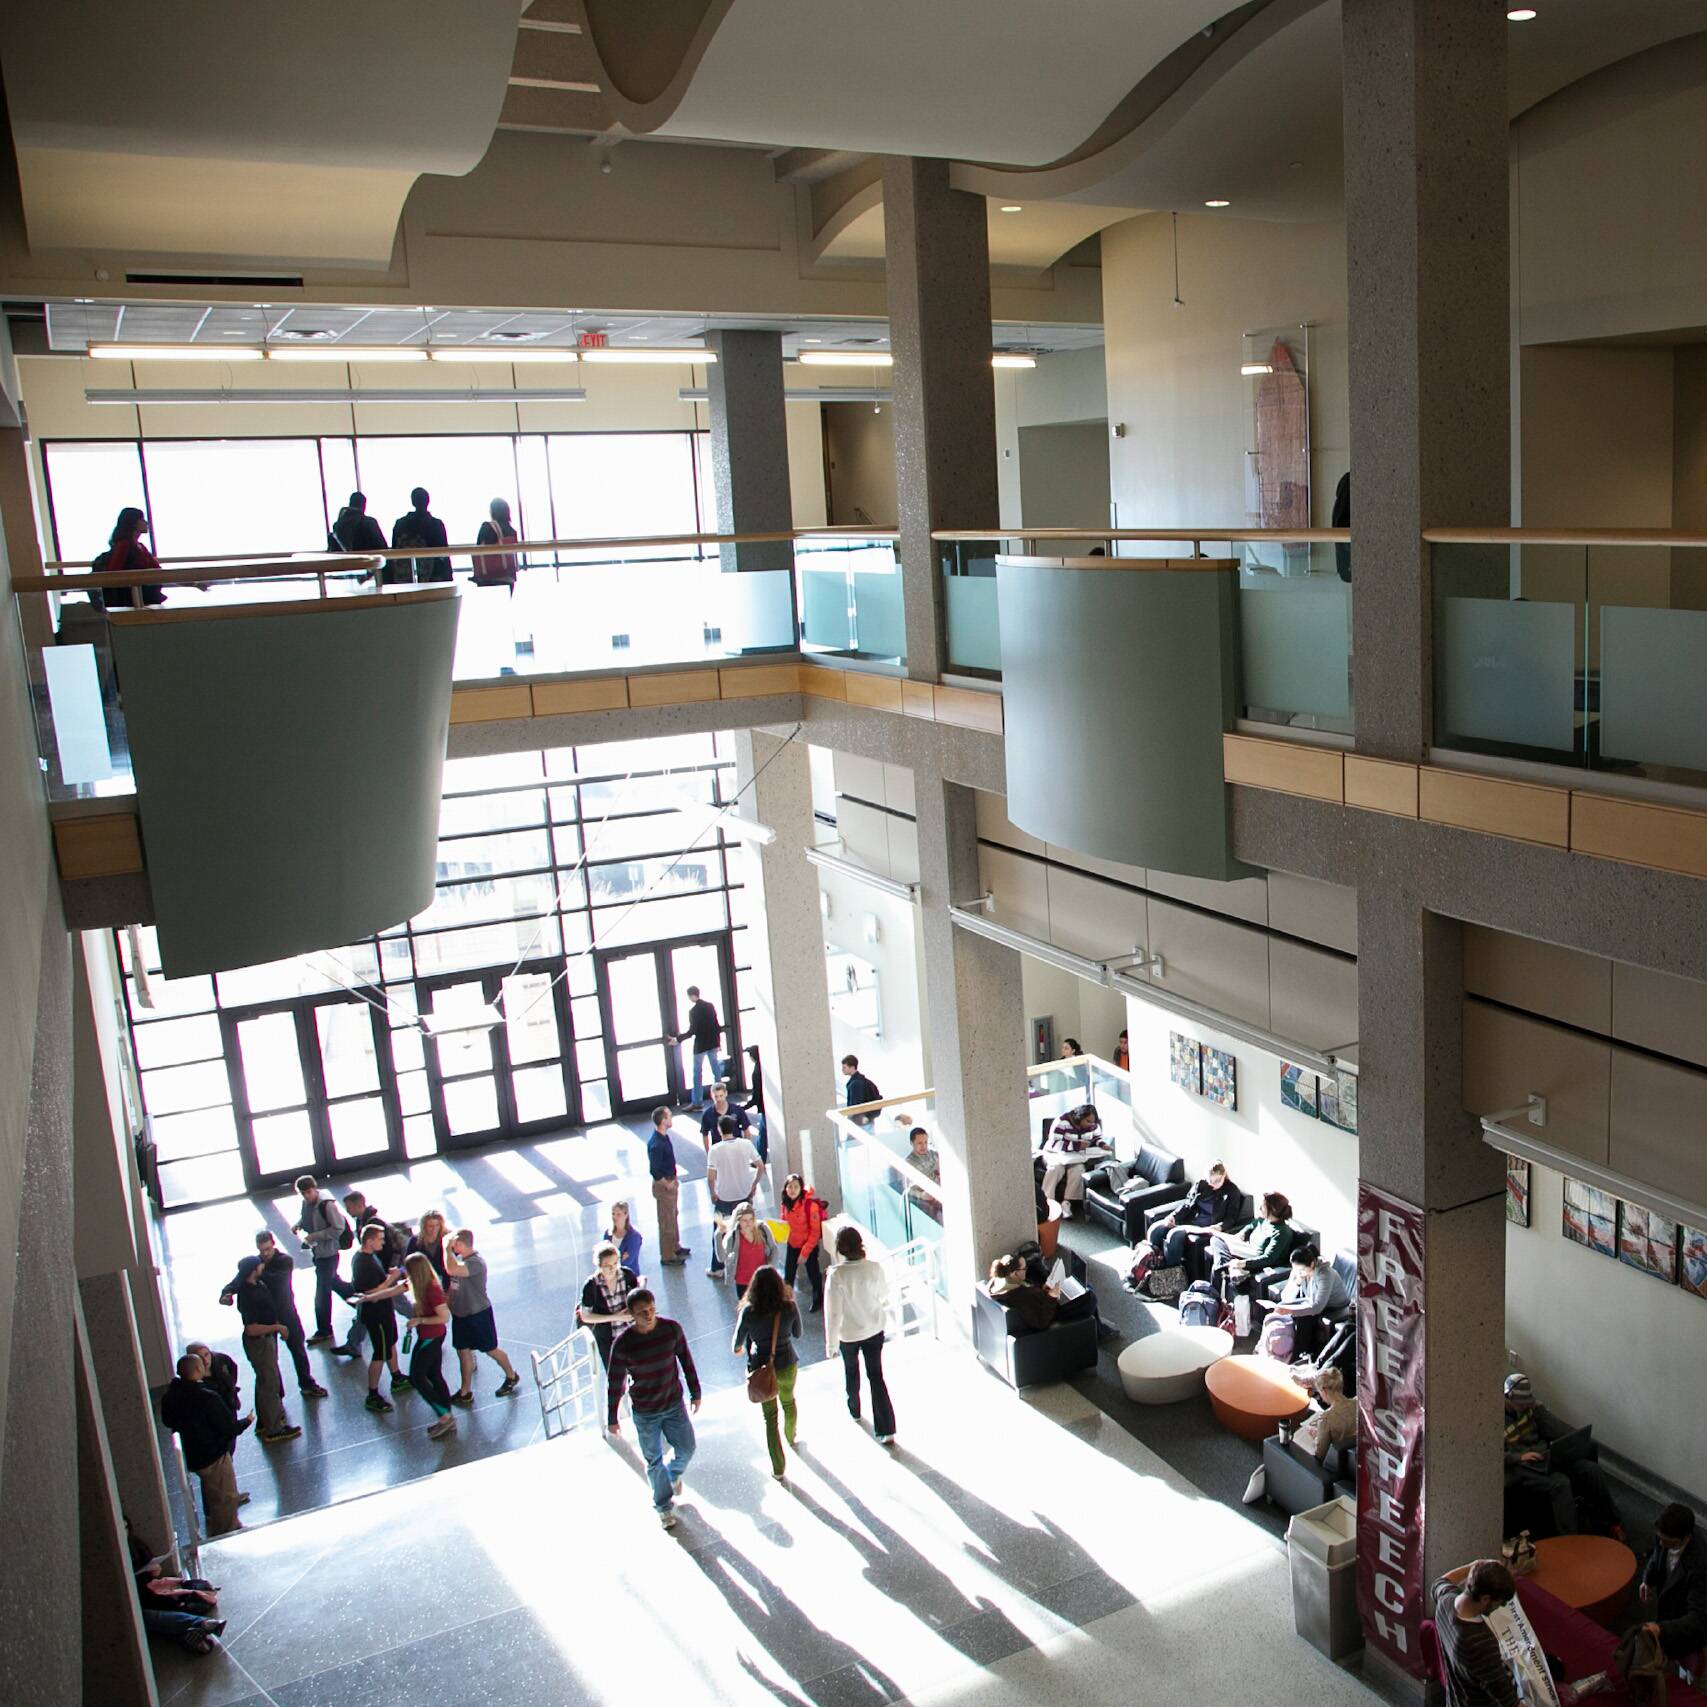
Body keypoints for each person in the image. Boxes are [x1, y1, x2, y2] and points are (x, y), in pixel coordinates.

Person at [605, 1289, 702, 1529]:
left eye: (651, 1309)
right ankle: (664, 1507)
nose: (649, 1315)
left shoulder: (671, 1329)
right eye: (642, 1313)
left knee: (687, 1447)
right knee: (653, 1460)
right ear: (631, 1315)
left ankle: (672, 1475)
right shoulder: (623, 1345)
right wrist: (612, 1416)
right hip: (646, 1411)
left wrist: (695, 1391)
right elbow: (615, 1381)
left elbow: (686, 1360)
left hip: (673, 1403)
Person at [1502, 1372, 1622, 1538]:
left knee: (1590, 1470)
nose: (1524, 1407)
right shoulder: (1494, 1419)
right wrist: (1518, 1457)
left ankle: (1612, 1523)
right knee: (1561, 1483)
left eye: (1526, 1403)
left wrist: (1542, 1412)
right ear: (1507, 1398)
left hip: (1544, 1455)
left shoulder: (1531, 1408)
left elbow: (1559, 1431)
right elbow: (1490, 1454)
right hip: (1522, 1465)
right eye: (1520, 1404)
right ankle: (1569, 1538)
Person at [219, 1231, 327, 1398]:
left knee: (297, 1349)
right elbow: (237, 1280)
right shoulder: (255, 1265)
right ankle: (278, 1394)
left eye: (268, 1249)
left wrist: (253, 1272)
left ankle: (307, 1383)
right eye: (262, 1251)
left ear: (273, 1244)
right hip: (266, 1319)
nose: (265, 1254)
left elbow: (275, 1280)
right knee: (270, 1359)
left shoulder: (284, 1261)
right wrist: (227, 1292)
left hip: (286, 1313)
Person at [160, 1352, 250, 1536]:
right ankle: (228, 1531)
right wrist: (246, 1421)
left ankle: (223, 1524)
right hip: (213, 1453)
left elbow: (168, 1421)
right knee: (225, 1496)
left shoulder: (171, 1396)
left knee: (211, 1491)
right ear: (199, 1369)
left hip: (192, 1454)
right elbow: (228, 1427)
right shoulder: (207, 1397)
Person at [824, 1224, 897, 1444]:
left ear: (839, 1248)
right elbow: (884, 1295)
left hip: (848, 1334)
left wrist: (831, 1344)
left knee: (851, 1371)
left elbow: (833, 1313)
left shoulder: (836, 1275)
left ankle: (854, 1409)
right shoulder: (874, 1268)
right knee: (876, 1376)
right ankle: (886, 1428)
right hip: (874, 1329)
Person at [732, 1265, 803, 1481]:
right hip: (787, 1363)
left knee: (770, 1418)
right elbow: (798, 1334)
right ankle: (791, 1436)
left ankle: (778, 1468)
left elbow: (737, 1343)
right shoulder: (789, 1307)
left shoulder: (749, 1311)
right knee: (789, 1402)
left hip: (762, 1368)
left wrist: (743, 1348)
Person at [231, 1256, 303, 1444]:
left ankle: (265, 1421)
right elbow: (251, 1328)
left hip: (266, 1340)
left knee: (264, 1380)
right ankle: (274, 1429)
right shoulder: (248, 1294)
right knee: (269, 1384)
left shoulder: (257, 1284)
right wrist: (276, 1328)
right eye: (260, 1265)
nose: (263, 1265)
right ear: (254, 1270)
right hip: (260, 1343)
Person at [445, 1228, 521, 1404]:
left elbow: (452, 1269)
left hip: (478, 1314)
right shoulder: (460, 1260)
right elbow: (454, 1284)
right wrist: (450, 1303)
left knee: (490, 1349)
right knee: (462, 1351)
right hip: (461, 1314)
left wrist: (445, 1248)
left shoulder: (475, 1263)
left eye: (454, 1244)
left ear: (460, 1244)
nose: (452, 1247)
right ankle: (465, 1391)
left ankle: (511, 1375)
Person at [1431, 1559, 1519, 1707]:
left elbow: (1440, 1582)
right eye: (1501, 1603)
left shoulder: (1445, 1601)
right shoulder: (1481, 1643)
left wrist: (1473, 1565)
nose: (1501, 1607)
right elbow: (1509, 1703)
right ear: (1485, 1599)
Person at [128, 1525, 226, 1656]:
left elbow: (152, 1571)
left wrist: (153, 1570)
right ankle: (200, 1625)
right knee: (147, 1618)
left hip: (148, 1593)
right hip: (140, 1597)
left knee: (156, 1618)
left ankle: (196, 1633)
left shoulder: (135, 1544)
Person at [346, 1219, 411, 1412]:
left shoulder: (369, 1257)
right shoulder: (362, 1262)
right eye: (380, 1239)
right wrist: (393, 1278)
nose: (383, 1243)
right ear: (369, 1241)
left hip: (384, 1311)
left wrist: (388, 1276)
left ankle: (396, 1376)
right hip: (375, 1314)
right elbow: (372, 1292)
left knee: (389, 1342)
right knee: (380, 1352)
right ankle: (372, 1394)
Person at [1638, 1503, 1707, 1669]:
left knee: (1689, 1673)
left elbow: (1698, 1619)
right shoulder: (1665, 1536)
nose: (1661, 1543)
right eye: (1659, 1538)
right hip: (1671, 1611)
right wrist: (1647, 1579)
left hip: (1688, 1627)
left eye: (1666, 1541)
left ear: (1686, 1538)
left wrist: (1661, 1628)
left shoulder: (1701, 1565)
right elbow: (1656, 1557)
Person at [291, 1175, 356, 1348]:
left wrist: (314, 1236)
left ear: (315, 1188)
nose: (306, 1196)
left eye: (309, 1192)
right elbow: (307, 1218)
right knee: (335, 1283)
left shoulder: (327, 1205)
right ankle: (365, 1305)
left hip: (329, 1253)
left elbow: (338, 1228)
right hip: (319, 1253)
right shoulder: (307, 1203)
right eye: (303, 1193)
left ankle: (324, 1330)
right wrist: (298, 1224)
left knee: (322, 1293)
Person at [1145, 1162, 1243, 1275]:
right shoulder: (1201, 1184)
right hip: (1190, 1220)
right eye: (1210, 1180)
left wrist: (1220, 1226)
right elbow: (1187, 1204)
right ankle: (1151, 1269)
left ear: (1224, 1175)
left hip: (1206, 1227)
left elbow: (1231, 1218)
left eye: (1217, 1181)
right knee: (1155, 1229)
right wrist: (1173, 1216)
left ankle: (1170, 1277)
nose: (1213, 1184)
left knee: (1174, 1235)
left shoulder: (1232, 1191)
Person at [987, 1252, 1111, 1338]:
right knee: (1089, 1295)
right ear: (1014, 1273)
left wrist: (1043, 1290)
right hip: (1052, 1311)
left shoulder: (999, 1281)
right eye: (1024, 1269)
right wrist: (1052, 1297)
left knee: (1084, 1288)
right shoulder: (1017, 1296)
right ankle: (1100, 1332)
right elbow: (1041, 1322)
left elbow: (1029, 1295)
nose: (1026, 1270)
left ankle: (1099, 1330)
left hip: (1044, 1300)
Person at [403, 1251, 457, 1440]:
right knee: (434, 1374)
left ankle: (444, 1415)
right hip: (430, 1335)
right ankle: (446, 1415)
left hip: (431, 1337)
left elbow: (444, 1317)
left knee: (417, 1377)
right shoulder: (423, 1285)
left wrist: (420, 1321)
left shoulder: (431, 1289)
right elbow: (395, 1289)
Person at [1266, 1242, 1351, 1360]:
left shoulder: (1325, 1275)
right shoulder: (1299, 1269)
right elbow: (1285, 1297)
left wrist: (1290, 1311)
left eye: (1301, 1270)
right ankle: (1271, 1347)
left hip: (1333, 1307)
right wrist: (1297, 1282)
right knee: (1279, 1308)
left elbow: (1317, 1307)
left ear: (1312, 1264)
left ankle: (1297, 1357)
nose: (1298, 1272)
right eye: (1295, 1269)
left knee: (1304, 1318)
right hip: (1311, 1301)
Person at [1208, 1191, 1297, 1301]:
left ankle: (1217, 1288)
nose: (1260, 1208)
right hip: (1245, 1249)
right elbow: (1251, 1225)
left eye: (1263, 1206)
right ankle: (1231, 1270)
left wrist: (1243, 1263)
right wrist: (1243, 1233)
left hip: (1255, 1258)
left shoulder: (1281, 1232)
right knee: (1216, 1239)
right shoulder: (1263, 1220)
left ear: (1272, 1210)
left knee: (1217, 1269)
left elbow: (1269, 1258)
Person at [706, 1114, 764, 1278]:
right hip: (744, 1195)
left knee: (719, 1230)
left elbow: (711, 1177)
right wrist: (753, 1185)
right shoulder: (746, 1144)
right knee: (748, 1228)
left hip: (724, 1197)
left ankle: (717, 1266)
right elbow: (760, 1166)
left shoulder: (715, 1149)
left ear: (719, 1130)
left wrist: (713, 1192)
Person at [578, 1241, 641, 1369]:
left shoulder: (627, 1275)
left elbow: (638, 1297)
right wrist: (616, 1317)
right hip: (608, 1338)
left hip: (632, 1332)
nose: (612, 1268)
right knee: (615, 1373)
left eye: (615, 1263)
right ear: (599, 1265)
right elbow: (585, 1316)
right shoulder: (592, 1286)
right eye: (607, 1265)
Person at [91, 506, 165, 609]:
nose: (146, 523)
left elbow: (158, 570)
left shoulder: (140, 547)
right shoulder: (124, 545)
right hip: (131, 600)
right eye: (142, 519)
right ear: (133, 523)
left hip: (143, 597)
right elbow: (112, 573)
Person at [1039, 1102, 1102, 1218]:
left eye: (1093, 1122)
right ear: (1080, 1118)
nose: (1090, 1125)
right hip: (1054, 1153)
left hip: (1074, 1156)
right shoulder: (1061, 1121)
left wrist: (1102, 1144)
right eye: (1088, 1121)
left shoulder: (1092, 1125)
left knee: (1078, 1169)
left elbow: (1097, 1137)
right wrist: (1077, 1146)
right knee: (1056, 1168)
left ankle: (1067, 1203)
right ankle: (1047, 1201)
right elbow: (1055, 1144)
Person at [776, 1173, 826, 1312]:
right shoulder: (785, 1204)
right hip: (792, 1244)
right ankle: (787, 1302)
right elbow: (784, 1222)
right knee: (789, 1275)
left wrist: (805, 1252)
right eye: (789, 1187)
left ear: (801, 1188)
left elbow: (815, 1232)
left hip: (808, 1245)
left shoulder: (810, 1206)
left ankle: (818, 1300)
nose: (792, 1190)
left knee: (813, 1274)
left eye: (796, 1187)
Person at [647, 1106, 690, 1266]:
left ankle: (675, 1246)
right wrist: (667, 1184)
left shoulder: (663, 1137)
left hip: (671, 1181)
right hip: (665, 1185)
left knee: (673, 1216)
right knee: (667, 1221)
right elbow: (655, 1169)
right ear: (663, 1120)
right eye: (669, 1116)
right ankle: (667, 1255)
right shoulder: (656, 1143)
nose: (671, 1118)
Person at [1294, 1365, 1356, 1463]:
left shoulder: (1326, 1419)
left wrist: (1316, 1437)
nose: (1321, 1397)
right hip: (1351, 1458)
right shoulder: (1357, 1403)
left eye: (1320, 1392)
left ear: (1324, 1391)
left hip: (1333, 1463)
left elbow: (1320, 1455)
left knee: (1296, 1439)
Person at [391, 487, 451, 584]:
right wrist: (448, 578)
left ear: (412, 502)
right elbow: (443, 554)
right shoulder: (435, 524)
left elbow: (394, 551)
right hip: (434, 578)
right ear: (428, 501)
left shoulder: (400, 524)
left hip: (405, 578)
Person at [677, 984, 724, 1107]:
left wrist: (678, 1039)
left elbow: (692, 1031)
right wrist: (719, 1043)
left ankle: (697, 1102)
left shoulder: (693, 1011)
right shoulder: (710, 1006)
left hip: (700, 1045)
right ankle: (721, 1098)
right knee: (716, 1071)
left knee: (697, 1073)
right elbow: (716, 1025)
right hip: (713, 1042)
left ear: (692, 996)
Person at [722, 1202, 779, 1295]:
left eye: (751, 1219)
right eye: (744, 1220)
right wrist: (718, 1235)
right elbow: (721, 1258)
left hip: (762, 1279)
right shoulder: (732, 1237)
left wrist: (771, 1269)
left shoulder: (762, 1229)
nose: (749, 1223)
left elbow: (774, 1249)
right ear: (738, 1221)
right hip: (743, 1282)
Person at [473, 496, 520, 591]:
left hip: (490, 577)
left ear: (493, 511)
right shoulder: (511, 530)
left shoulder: (487, 527)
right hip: (509, 577)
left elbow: (478, 550)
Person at [698, 1080, 752, 1154]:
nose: (718, 1099)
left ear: (726, 1094)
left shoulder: (737, 1110)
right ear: (711, 1096)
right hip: (719, 1151)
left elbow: (747, 1131)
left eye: (721, 1096)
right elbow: (705, 1135)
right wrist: (709, 1154)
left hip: (737, 1149)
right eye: (716, 1096)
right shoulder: (707, 1114)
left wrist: (745, 1150)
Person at [328, 490, 386, 557]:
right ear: (364, 506)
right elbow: (382, 547)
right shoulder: (369, 522)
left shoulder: (337, 526)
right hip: (367, 563)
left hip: (346, 565)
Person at [406, 1209, 450, 1281]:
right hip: (424, 1280)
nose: (434, 1229)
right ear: (424, 1227)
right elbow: (409, 1263)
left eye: (437, 1225)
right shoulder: (415, 1241)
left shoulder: (447, 1238)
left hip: (446, 1279)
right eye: (430, 1226)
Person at [742, 1043, 767, 1160]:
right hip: (766, 1107)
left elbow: (756, 1096)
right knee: (762, 1133)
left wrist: (743, 1108)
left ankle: (760, 1158)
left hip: (764, 1108)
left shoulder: (756, 1072)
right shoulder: (764, 1067)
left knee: (763, 1133)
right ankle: (760, 1157)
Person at [605, 1199, 643, 1275]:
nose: (614, 1217)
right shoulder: (608, 1234)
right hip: (610, 1277)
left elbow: (628, 1262)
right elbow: (604, 1256)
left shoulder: (634, 1237)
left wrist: (611, 1261)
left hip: (629, 1277)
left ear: (626, 1215)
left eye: (618, 1214)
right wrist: (620, 1257)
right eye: (613, 1214)